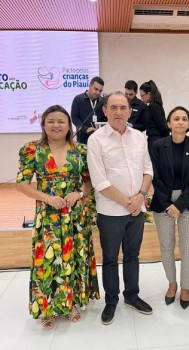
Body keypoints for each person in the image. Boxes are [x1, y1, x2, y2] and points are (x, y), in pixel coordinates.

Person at [16, 105, 99, 330]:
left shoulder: (81, 150)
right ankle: (48, 308)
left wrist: (79, 192)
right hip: (48, 214)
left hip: (75, 214)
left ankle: (71, 303)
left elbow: (90, 181)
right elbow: (22, 184)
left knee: (73, 257)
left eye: (61, 121)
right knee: (48, 260)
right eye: (51, 121)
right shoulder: (32, 150)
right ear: (43, 124)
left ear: (69, 125)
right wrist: (47, 198)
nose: (56, 125)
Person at [87, 91, 153, 325]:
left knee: (133, 256)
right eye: (112, 107)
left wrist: (141, 197)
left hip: (137, 209)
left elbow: (148, 170)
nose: (118, 112)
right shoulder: (96, 140)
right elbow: (99, 181)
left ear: (129, 111)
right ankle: (111, 300)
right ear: (104, 111)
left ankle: (132, 295)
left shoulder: (139, 137)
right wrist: (129, 202)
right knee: (111, 258)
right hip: (111, 212)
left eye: (122, 107)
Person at [150, 106, 189, 309]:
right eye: (176, 118)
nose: (180, 122)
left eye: (184, 119)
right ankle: (172, 284)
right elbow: (155, 175)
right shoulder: (157, 145)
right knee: (166, 246)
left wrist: (179, 205)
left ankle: (185, 287)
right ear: (168, 124)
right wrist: (168, 204)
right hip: (163, 201)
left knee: (188, 247)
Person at [71, 76, 106, 144]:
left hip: (100, 140)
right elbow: (74, 118)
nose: (98, 92)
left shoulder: (103, 101)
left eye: (100, 91)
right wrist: (86, 129)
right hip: (83, 139)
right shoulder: (78, 99)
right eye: (96, 89)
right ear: (89, 86)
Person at [139, 80, 169, 154]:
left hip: (156, 139)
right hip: (155, 139)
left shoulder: (154, 106)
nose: (141, 98)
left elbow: (162, 125)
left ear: (149, 94)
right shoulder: (152, 106)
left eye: (142, 95)